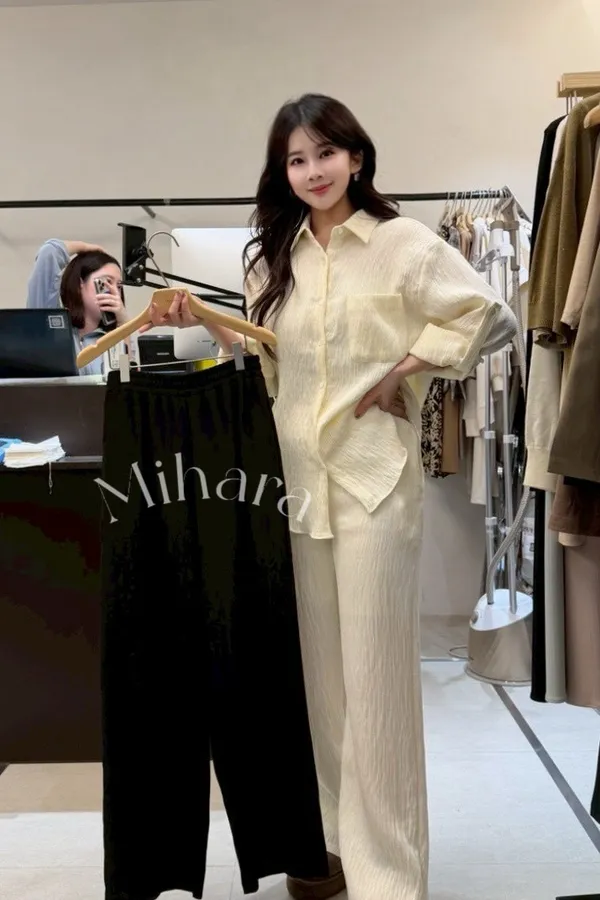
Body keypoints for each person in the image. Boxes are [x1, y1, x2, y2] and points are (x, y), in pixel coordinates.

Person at [145, 94, 517, 900]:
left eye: (325, 153)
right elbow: (271, 365)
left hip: (374, 482)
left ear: (356, 157)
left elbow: (489, 315)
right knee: (318, 682)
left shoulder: (401, 243)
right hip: (294, 485)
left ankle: (390, 873)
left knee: (378, 681)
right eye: (296, 159)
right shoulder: (272, 258)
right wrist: (205, 321)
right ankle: (333, 847)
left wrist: (404, 369)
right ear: (282, 172)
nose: (313, 171)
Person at [26, 239, 127, 375]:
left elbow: (126, 377)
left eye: (119, 286)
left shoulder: (111, 340)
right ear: (80, 284)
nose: (115, 292)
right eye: (106, 282)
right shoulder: (50, 329)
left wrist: (125, 325)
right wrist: (85, 247)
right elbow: (49, 253)